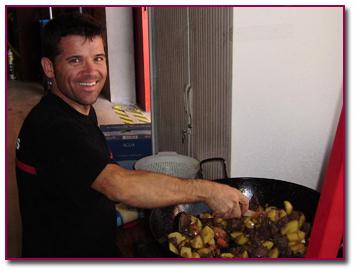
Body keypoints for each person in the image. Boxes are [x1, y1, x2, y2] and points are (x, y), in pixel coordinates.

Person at [15, 13, 249, 258]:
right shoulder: (56, 128)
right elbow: (118, 185)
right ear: (49, 68)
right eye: (75, 60)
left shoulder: (75, 110)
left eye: (98, 58)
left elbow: (89, 176)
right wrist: (208, 190)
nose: (91, 72)